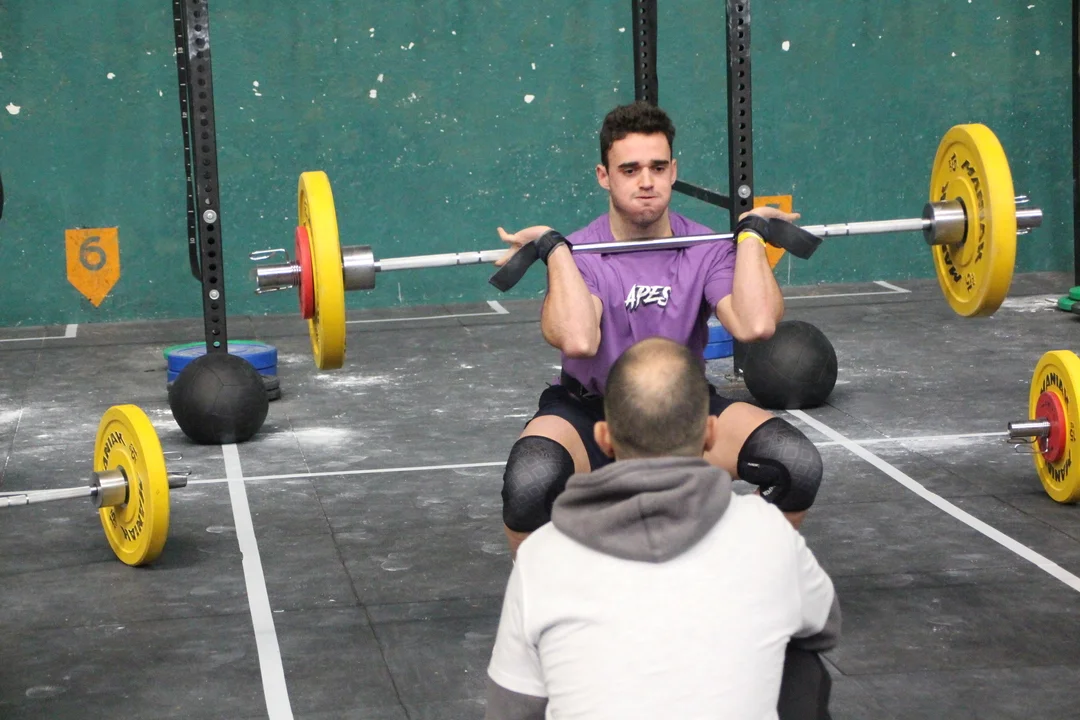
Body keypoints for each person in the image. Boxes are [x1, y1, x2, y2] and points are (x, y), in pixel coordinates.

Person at [495, 101, 824, 558]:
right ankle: (551, 598)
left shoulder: (705, 247)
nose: (646, 181)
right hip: (590, 411)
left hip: (682, 409)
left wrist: (750, 235)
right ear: (604, 176)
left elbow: (756, 324)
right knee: (530, 483)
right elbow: (578, 339)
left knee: (795, 464)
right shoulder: (581, 254)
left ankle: (738, 572)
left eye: (657, 167)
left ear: (674, 171)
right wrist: (554, 249)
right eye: (629, 169)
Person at [484, 337, 840, 719]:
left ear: (603, 438)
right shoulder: (767, 531)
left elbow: (510, 710)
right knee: (798, 660)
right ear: (711, 433)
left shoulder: (541, 557)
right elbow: (824, 627)